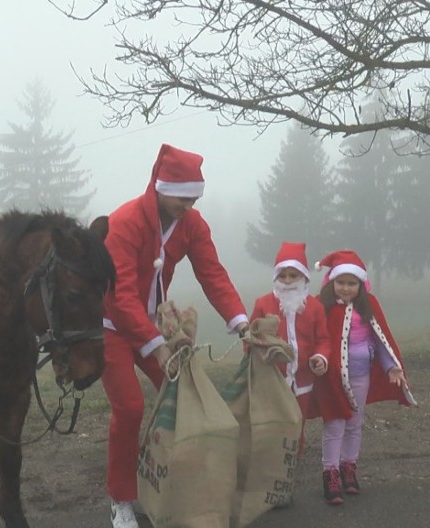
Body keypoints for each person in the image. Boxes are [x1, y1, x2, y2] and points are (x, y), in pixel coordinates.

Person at [101, 143, 250, 528]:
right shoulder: (125, 222)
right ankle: (121, 497)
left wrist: (241, 322)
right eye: (181, 197)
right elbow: (120, 295)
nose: (188, 206)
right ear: (160, 187)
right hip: (114, 326)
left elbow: (212, 274)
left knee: (186, 397)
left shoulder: (192, 225)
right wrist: (156, 346)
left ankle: (172, 482)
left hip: (154, 325)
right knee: (130, 407)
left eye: (193, 198)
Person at [310, 249, 416, 505]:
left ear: (361, 284)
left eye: (351, 283)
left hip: (361, 376)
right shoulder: (322, 307)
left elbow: (381, 340)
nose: (345, 288)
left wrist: (392, 367)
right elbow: (314, 338)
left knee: (355, 423)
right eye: (341, 282)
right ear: (331, 282)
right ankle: (331, 474)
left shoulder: (369, 306)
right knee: (335, 424)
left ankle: (349, 467)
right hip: (331, 378)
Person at [249, 241, 330, 458]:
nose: (287, 281)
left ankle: (292, 463)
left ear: (303, 276)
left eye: (292, 276)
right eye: (282, 276)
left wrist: (320, 357)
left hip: (302, 380)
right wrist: (257, 355)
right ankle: (269, 463)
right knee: (271, 423)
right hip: (272, 379)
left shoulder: (315, 307)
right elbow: (250, 337)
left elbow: (323, 339)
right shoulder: (263, 304)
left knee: (297, 423)